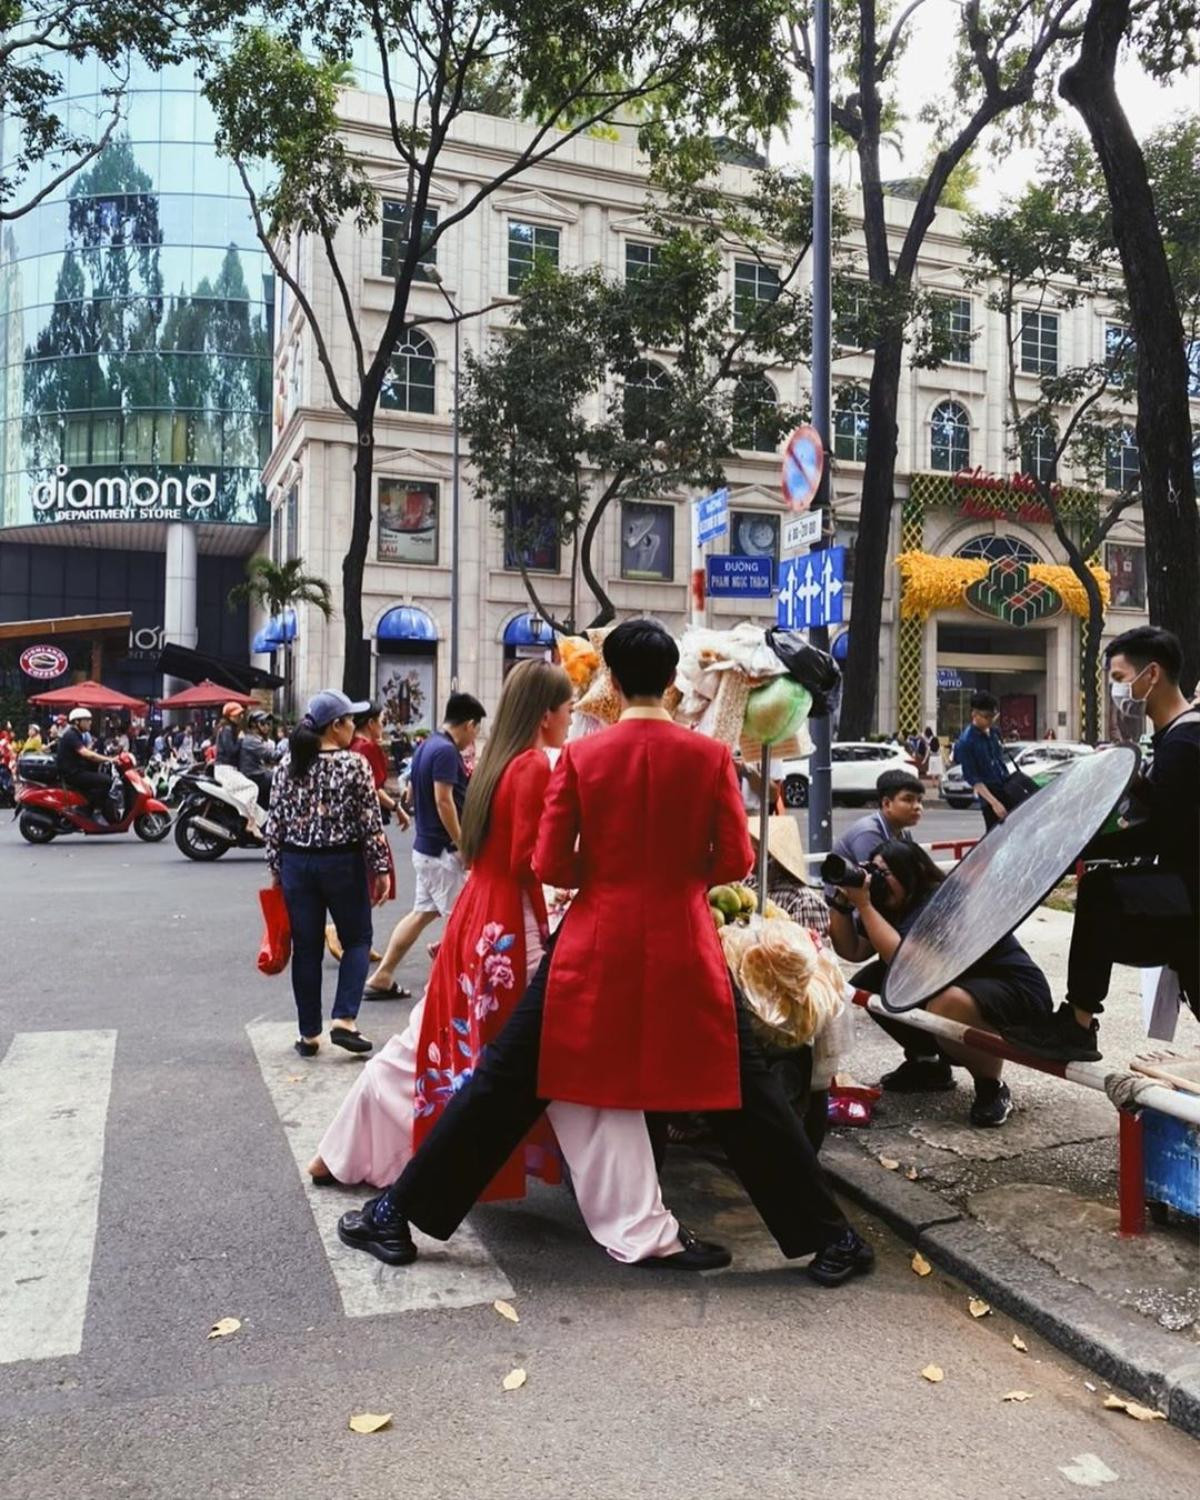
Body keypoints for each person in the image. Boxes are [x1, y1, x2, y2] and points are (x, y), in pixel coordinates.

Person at [338, 619, 872, 1286]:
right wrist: (675, 880)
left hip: (589, 947)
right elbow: (735, 859)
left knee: (505, 1083)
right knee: (746, 1095)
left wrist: (611, 873)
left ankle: (395, 1213)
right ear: (670, 681)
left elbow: (553, 864)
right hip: (685, 944)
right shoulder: (709, 759)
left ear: (612, 683)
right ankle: (830, 1241)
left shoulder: (583, 760)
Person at [309, 661, 686, 1265]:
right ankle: (635, 1220)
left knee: (430, 1043)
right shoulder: (535, 767)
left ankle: (342, 1153)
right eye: (566, 710)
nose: (571, 720)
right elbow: (539, 859)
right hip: (513, 928)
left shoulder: (492, 763)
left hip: (477, 919)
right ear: (546, 713)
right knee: (562, 1070)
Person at [1003, 627, 1199, 1062]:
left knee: (1100, 891)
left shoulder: (1185, 739)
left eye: (1119, 675)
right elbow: (1174, 813)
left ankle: (1077, 1024)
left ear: (1151, 675)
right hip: (1184, 887)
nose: (1115, 688)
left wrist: (1075, 848)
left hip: (1189, 890)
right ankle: (1077, 1021)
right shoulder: (1174, 737)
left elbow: (1163, 832)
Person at [829, 841, 1051, 1126]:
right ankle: (927, 1066)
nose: (879, 881)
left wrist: (864, 904)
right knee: (870, 985)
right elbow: (852, 951)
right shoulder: (889, 905)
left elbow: (904, 961)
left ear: (914, 871)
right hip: (960, 984)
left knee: (946, 1004)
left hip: (1013, 989)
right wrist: (841, 905)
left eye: (886, 873)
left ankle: (991, 1087)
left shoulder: (941, 899)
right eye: (875, 872)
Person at [265, 690, 391, 1059]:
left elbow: (275, 822)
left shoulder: (287, 764)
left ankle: (308, 1034)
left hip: (296, 865)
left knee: (306, 949)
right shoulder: (353, 765)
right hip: (342, 864)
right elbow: (370, 823)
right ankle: (344, 1020)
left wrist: (276, 869)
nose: (354, 727)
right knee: (356, 940)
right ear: (336, 726)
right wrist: (380, 867)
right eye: (350, 720)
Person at [363, 693, 486, 1003]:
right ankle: (449, 987)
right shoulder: (445, 751)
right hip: (442, 853)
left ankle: (383, 975)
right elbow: (444, 800)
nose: (474, 739)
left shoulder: (428, 745)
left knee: (421, 914)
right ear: (469, 724)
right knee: (464, 922)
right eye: (476, 731)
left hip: (427, 848)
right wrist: (463, 844)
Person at [326, 704, 410, 960]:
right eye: (381, 721)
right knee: (376, 884)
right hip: (369, 825)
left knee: (364, 883)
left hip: (347, 827)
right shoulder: (368, 748)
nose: (382, 726)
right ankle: (340, 930)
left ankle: (359, 938)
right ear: (371, 723)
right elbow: (375, 788)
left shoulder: (349, 748)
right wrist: (397, 807)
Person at [829, 769, 924, 869]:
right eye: (908, 800)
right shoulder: (868, 833)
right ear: (887, 804)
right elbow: (878, 880)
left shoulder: (904, 833)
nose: (917, 806)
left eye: (919, 800)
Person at [952, 691, 1012, 831]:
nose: (990, 721)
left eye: (993, 716)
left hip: (1006, 786)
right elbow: (974, 779)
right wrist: (994, 803)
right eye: (986, 717)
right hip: (989, 795)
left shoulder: (995, 732)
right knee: (996, 836)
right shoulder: (966, 742)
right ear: (974, 714)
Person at [54, 707, 119, 819]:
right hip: (73, 774)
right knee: (107, 781)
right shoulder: (72, 735)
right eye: (87, 720)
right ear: (77, 722)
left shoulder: (76, 734)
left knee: (100, 777)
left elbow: (84, 750)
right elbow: (86, 754)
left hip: (76, 771)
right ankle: (87, 809)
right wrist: (110, 759)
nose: (90, 723)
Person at [213, 702, 264, 840]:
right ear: (230, 715)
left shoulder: (226, 729)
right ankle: (251, 822)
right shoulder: (228, 729)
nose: (240, 716)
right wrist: (241, 740)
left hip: (226, 769)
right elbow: (231, 751)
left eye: (241, 714)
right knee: (252, 787)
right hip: (225, 770)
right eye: (237, 714)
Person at [238, 709, 278, 811]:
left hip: (258, 773)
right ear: (253, 724)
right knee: (278, 779)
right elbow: (271, 755)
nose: (267, 727)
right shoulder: (251, 740)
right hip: (253, 776)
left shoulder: (256, 739)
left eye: (268, 724)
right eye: (263, 723)